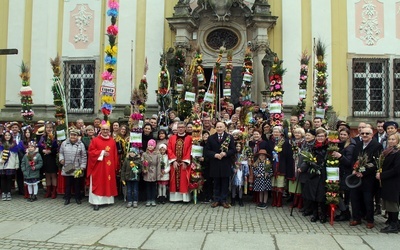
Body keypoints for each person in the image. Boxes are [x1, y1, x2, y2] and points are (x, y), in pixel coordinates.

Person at [349, 127, 383, 229]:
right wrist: (354, 169)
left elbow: (376, 163)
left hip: (369, 178)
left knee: (368, 200)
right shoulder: (358, 145)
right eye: (362, 133)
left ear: (372, 135)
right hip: (356, 177)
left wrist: (363, 171)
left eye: (367, 133)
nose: (364, 135)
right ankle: (356, 218)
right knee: (354, 198)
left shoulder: (377, 146)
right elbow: (353, 158)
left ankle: (370, 220)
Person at [87, 122, 119, 211]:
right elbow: (91, 152)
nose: (105, 131)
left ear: (109, 131)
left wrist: (115, 166)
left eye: (107, 130)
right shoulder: (95, 140)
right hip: (98, 167)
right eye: (103, 129)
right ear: (100, 130)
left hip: (109, 167)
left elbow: (115, 154)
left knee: (107, 182)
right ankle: (96, 202)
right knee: (98, 183)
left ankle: (107, 201)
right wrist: (101, 152)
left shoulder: (112, 141)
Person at [300, 128, 328, 223]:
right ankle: (315, 214)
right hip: (313, 173)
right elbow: (308, 159)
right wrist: (308, 166)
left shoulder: (328, 147)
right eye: (318, 136)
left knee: (321, 195)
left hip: (323, 174)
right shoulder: (313, 147)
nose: (320, 138)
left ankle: (322, 214)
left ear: (325, 137)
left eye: (322, 136)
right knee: (313, 195)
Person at [205, 122, 235, 208]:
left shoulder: (230, 137)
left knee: (225, 183)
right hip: (215, 163)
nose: (219, 128)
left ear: (224, 128)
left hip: (225, 163)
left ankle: (224, 200)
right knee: (216, 183)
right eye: (217, 127)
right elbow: (207, 151)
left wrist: (225, 154)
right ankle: (216, 200)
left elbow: (233, 150)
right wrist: (214, 155)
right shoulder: (211, 138)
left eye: (221, 127)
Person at [376, 133, 400, 233]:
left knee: (392, 203)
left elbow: (396, 169)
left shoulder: (398, 152)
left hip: (394, 182)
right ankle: (391, 221)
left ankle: (394, 224)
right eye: (389, 139)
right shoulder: (389, 151)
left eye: (393, 139)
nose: (391, 141)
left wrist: (382, 175)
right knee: (387, 202)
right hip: (387, 181)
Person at [59, 128, 87, 205]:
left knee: (77, 184)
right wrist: (61, 159)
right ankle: (67, 198)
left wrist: (83, 166)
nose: (73, 136)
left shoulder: (81, 144)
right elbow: (61, 153)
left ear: (77, 136)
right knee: (68, 184)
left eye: (75, 135)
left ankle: (77, 198)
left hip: (77, 167)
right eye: (72, 135)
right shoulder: (64, 143)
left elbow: (84, 156)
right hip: (68, 166)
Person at [167, 121, 192, 202]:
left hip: (184, 163)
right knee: (174, 181)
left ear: (185, 128)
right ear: (177, 128)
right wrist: (173, 160)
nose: (180, 129)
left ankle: (184, 198)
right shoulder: (172, 138)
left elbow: (189, 150)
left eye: (182, 127)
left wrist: (185, 161)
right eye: (179, 127)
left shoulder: (189, 138)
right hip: (174, 163)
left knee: (184, 180)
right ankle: (175, 198)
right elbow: (169, 149)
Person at [268, 126, 293, 207]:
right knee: (273, 184)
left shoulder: (285, 142)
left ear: (281, 133)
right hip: (272, 165)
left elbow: (288, 155)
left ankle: (279, 201)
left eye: (277, 132)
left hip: (281, 165)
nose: (275, 133)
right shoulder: (270, 142)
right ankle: (274, 200)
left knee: (280, 184)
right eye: (274, 132)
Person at [38, 122, 59, 199]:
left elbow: (57, 148)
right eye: (47, 127)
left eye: (50, 127)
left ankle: (54, 191)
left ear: (53, 129)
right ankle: (48, 191)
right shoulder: (43, 137)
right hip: (45, 158)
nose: (49, 129)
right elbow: (39, 147)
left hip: (52, 158)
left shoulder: (55, 137)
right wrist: (43, 150)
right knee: (47, 175)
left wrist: (51, 151)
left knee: (53, 175)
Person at [0, 131, 20, 201]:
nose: (7, 136)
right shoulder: (1, 144)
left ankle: (8, 192)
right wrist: (1, 160)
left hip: (11, 164)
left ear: (11, 136)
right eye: (6, 135)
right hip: (2, 165)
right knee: (2, 179)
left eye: (9, 135)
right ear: (4, 136)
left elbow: (16, 156)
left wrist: (16, 164)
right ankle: (3, 193)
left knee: (9, 179)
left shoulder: (14, 145)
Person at [231, 142, 249, 207]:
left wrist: (246, 174)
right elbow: (231, 164)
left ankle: (240, 199)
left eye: (239, 146)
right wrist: (233, 169)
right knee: (234, 186)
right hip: (235, 172)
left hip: (241, 172)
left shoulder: (243, 155)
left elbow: (246, 164)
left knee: (240, 186)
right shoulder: (233, 155)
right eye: (236, 146)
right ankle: (233, 199)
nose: (238, 147)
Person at [142, 139, 159, 206]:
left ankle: (153, 199)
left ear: (154, 146)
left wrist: (158, 173)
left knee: (153, 186)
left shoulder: (157, 154)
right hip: (147, 171)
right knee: (148, 186)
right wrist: (144, 169)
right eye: (149, 145)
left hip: (154, 171)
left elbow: (158, 164)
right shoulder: (144, 154)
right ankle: (148, 199)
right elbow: (142, 162)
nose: (150, 146)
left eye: (151, 145)